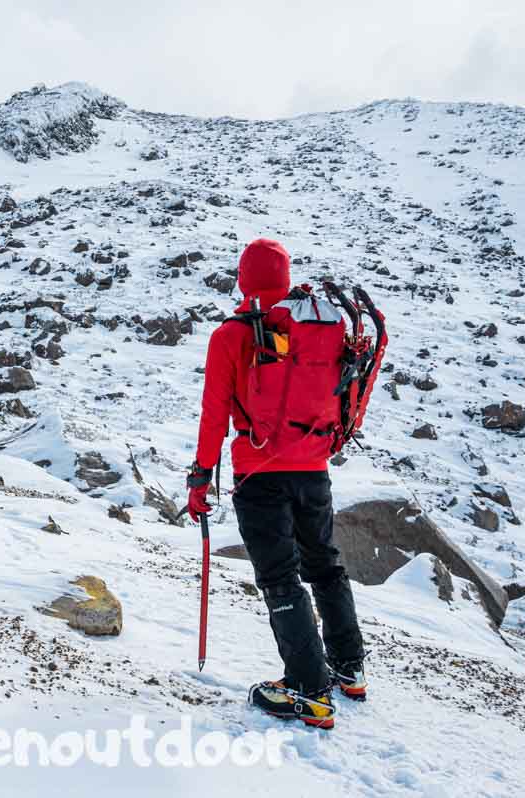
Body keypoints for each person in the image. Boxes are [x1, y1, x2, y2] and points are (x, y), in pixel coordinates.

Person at [186, 238, 367, 730]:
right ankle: (348, 670)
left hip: (259, 474)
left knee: (280, 577)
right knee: (324, 565)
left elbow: (214, 414)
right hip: (314, 469)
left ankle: (309, 691)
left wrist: (201, 478)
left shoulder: (231, 335)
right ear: (285, 278)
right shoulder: (317, 329)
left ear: (243, 279)